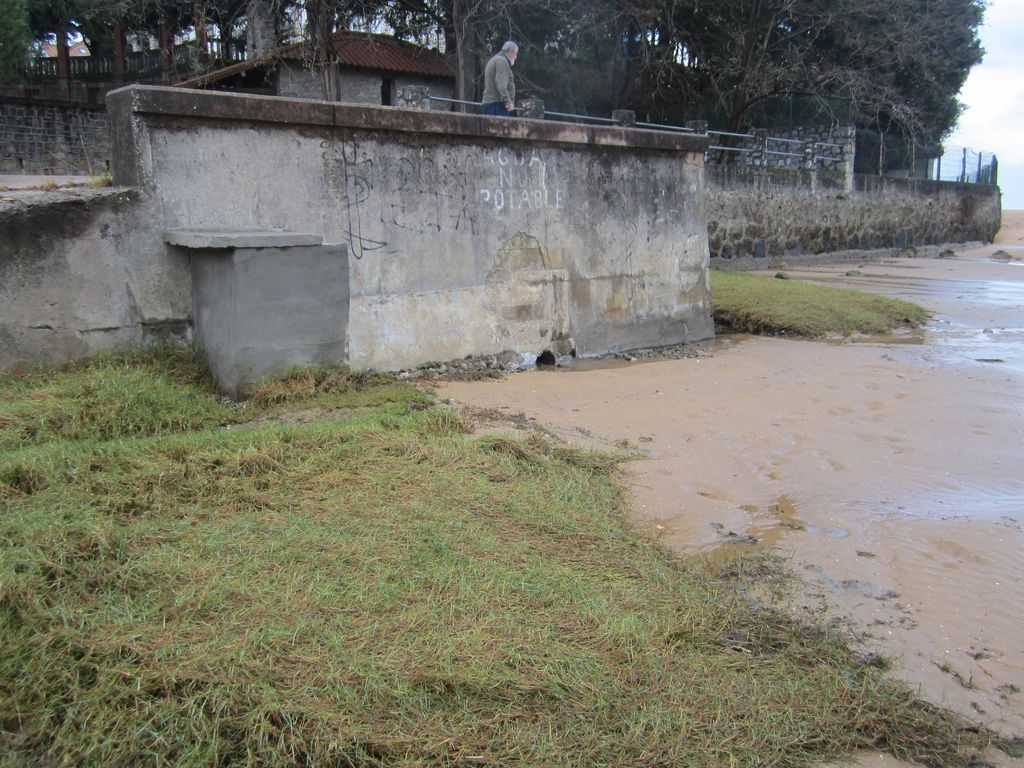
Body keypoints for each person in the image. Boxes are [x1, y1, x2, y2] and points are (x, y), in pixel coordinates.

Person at [482, 41, 518, 116]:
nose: (516, 57)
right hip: (496, 105)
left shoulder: (495, 59)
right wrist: (508, 101)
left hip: (491, 104)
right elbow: (501, 85)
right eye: (515, 54)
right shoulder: (502, 61)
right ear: (510, 52)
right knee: (500, 127)